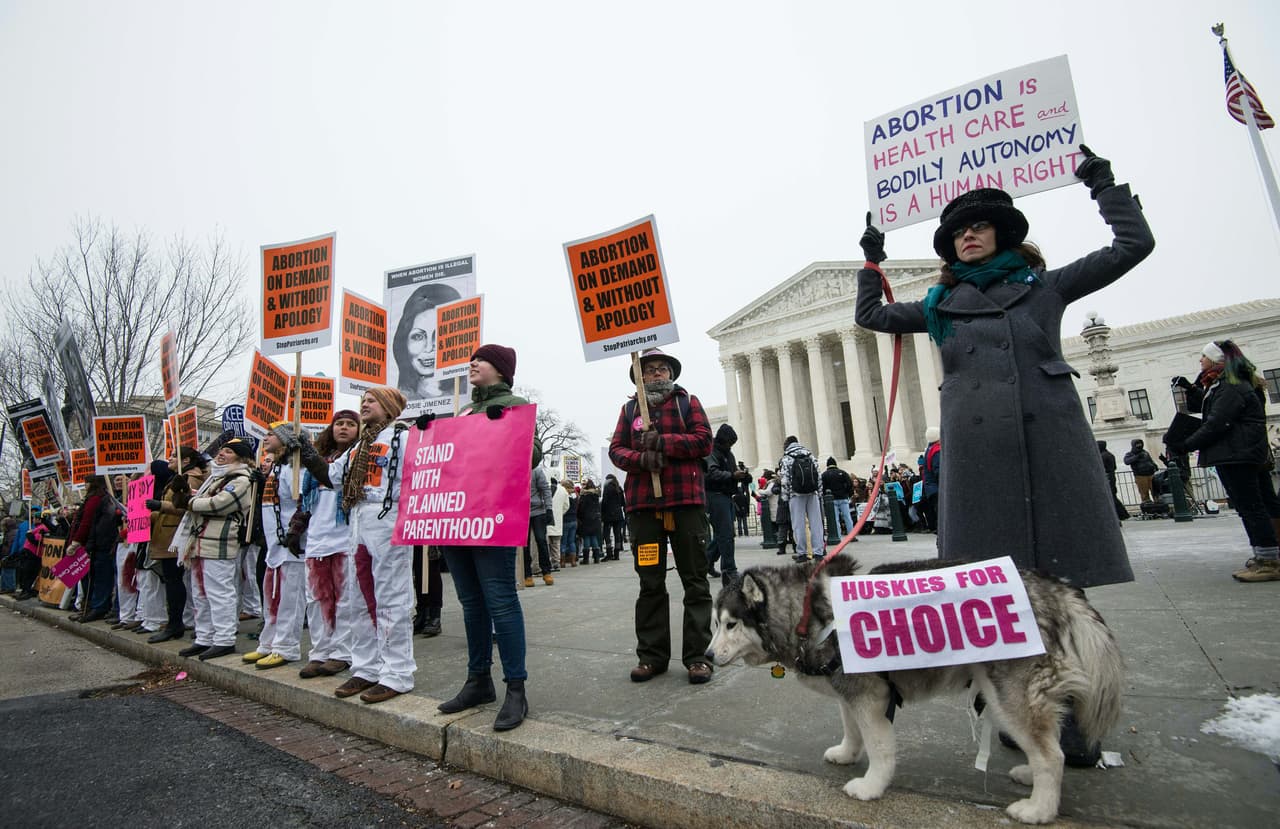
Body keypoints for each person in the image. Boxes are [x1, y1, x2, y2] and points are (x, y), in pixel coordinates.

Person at [856, 145, 1154, 764]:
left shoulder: (1044, 288)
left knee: (1062, 591)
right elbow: (872, 315)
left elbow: (1133, 246)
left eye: (979, 226)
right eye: (959, 232)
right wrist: (871, 258)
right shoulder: (939, 307)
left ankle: (1069, 722)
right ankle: (1004, 708)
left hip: (1049, 447)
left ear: (1002, 234)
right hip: (978, 457)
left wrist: (1101, 184)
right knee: (990, 591)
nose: (968, 237)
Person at [436, 344, 535, 731]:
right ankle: (478, 680)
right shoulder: (461, 410)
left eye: (481, 359)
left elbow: (532, 454)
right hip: (456, 518)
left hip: (492, 517)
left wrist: (502, 427)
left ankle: (516, 688)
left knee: (500, 600)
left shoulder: (515, 404)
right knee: (470, 602)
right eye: (471, 359)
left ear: (501, 368)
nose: (472, 363)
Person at [608, 347, 715, 685]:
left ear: (671, 374)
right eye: (649, 370)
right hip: (644, 509)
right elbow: (616, 450)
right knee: (650, 583)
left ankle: (698, 657)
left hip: (686, 505)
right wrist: (641, 459)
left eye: (661, 369)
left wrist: (663, 443)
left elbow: (703, 441)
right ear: (639, 377)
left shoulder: (688, 403)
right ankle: (651, 657)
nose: (656, 374)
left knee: (695, 582)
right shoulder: (629, 410)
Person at [1167, 341, 1280, 581]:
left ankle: (1269, 561)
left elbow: (1217, 422)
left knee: (1251, 506)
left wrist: (1185, 445)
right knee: (1255, 505)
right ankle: (1266, 556)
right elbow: (1209, 409)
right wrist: (1192, 387)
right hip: (1241, 452)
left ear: (1217, 360)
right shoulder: (1225, 383)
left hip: (1236, 454)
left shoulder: (1230, 386)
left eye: (1203, 356)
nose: (1200, 360)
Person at [295, 410, 360, 677]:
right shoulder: (317, 461)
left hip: (344, 538)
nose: (343, 428)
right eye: (339, 423)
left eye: (350, 424)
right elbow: (305, 501)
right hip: (317, 539)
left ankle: (342, 652)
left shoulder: (357, 457)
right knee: (317, 598)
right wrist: (295, 528)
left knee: (344, 599)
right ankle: (320, 651)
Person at [181, 438, 258, 661]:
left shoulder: (241, 479)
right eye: (222, 450)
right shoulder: (218, 478)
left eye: (229, 452)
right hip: (202, 541)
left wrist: (190, 502)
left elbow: (219, 504)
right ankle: (204, 637)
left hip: (221, 541)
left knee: (219, 592)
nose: (221, 454)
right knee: (200, 593)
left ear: (241, 458)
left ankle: (224, 639)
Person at [243, 423, 307, 670]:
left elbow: (303, 503)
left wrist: (296, 530)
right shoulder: (276, 468)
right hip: (274, 548)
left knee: (290, 598)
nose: (266, 437)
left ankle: (286, 647)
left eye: (272, 434)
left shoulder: (296, 469)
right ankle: (267, 643)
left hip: (292, 547)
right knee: (272, 597)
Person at [145, 447, 207, 643]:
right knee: (172, 580)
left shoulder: (190, 479)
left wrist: (158, 506)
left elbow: (187, 506)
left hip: (175, 535)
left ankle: (176, 624)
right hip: (168, 532)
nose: (169, 459)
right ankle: (176, 622)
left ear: (186, 459)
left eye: (173, 456)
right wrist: (153, 515)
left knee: (175, 581)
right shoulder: (178, 477)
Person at [391, 282, 466, 404]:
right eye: (418, 336)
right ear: (404, 342)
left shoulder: (471, 397)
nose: (429, 348)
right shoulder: (396, 406)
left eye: (440, 335)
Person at [704, 424, 748, 584]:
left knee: (726, 534)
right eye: (729, 443)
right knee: (725, 534)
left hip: (726, 495)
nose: (730, 446)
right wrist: (732, 475)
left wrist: (743, 477)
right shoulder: (712, 452)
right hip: (715, 495)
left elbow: (732, 471)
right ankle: (729, 570)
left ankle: (706, 562)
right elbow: (711, 473)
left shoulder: (728, 454)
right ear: (723, 440)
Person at [778, 436, 824, 563]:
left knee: (799, 525)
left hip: (795, 494)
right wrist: (819, 493)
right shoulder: (810, 455)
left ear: (787, 445)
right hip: (812, 492)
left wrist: (785, 497)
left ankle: (802, 552)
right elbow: (818, 475)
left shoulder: (787, 458)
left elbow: (785, 480)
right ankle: (818, 552)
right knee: (816, 523)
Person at [524, 464, 554, 586]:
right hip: (522, 511)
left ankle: (546, 571)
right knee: (524, 544)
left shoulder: (536, 470)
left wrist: (549, 509)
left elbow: (545, 489)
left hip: (538, 511)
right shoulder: (516, 467)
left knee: (541, 540)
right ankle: (527, 574)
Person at [821, 457, 856, 538]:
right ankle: (851, 535)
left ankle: (838, 536)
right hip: (843, 497)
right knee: (847, 517)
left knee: (835, 519)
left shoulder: (824, 475)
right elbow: (850, 484)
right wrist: (848, 494)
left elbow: (822, 487)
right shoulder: (842, 473)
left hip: (832, 499)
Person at [1097, 441, 1130, 521]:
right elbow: (1114, 467)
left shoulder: (1103, 456)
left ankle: (1122, 514)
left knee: (1111, 496)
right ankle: (1122, 514)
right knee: (1113, 495)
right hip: (1111, 476)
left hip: (1107, 477)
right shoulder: (1110, 454)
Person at [576, 479, 603, 564]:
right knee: (594, 537)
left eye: (584, 485)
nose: (582, 486)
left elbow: (581, 509)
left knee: (587, 537)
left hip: (586, 519)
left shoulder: (585, 496)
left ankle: (586, 559)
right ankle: (596, 558)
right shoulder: (595, 495)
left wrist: (579, 516)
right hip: (595, 519)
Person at [920, 428, 942, 533]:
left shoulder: (929, 449)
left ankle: (940, 529)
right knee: (941, 510)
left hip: (930, 487)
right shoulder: (936, 450)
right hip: (936, 486)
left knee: (938, 509)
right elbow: (939, 470)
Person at [600, 474, 627, 560]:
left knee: (606, 534)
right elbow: (623, 503)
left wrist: (602, 513)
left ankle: (609, 553)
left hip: (608, 514)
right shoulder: (619, 488)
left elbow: (604, 501)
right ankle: (617, 554)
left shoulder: (607, 488)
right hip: (618, 514)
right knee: (617, 534)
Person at [1124, 439, 1159, 504]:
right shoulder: (1130, 454)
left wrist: (1154, 466)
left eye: (1140, 444)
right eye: (1137, 444)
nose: (1139, 445)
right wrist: (1136, 457)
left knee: (1155, 492)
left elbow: (1150, 461)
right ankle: (1148, 507)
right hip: (1140, 476)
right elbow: (1127, 461)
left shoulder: (1145, 452)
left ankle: (1157, 504)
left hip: (1151, 474)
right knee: (1144, 493)